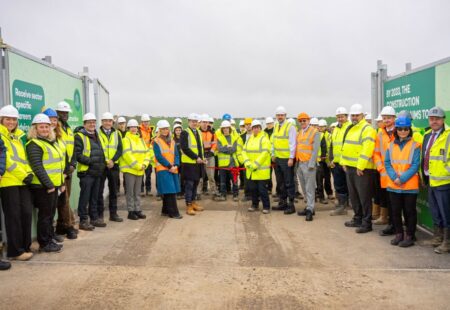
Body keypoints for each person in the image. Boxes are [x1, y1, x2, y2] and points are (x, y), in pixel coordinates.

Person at [26, 114, 66, 253]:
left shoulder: (50, 142)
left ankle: (49, 238)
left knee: (50, 214)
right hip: (42, 187)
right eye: (41, 127)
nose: (44, 129)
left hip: (53, 185)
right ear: (35, 129)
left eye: (47, 127)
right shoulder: (33, 144)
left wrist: (60, 182)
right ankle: (44, 243)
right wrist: (49, 185)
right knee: (45, 216)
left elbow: (57, 165)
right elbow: (37, 167)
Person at [0, 105, 34, 261]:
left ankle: (26, 246)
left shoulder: (18, 136)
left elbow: (24, 159)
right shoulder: (1, 135)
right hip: (8, 182)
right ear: (2, 120)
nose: (11, 122)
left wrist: (29, 174)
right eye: (8, 119)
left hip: (22, 180)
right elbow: (7, 161)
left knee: (26, 213)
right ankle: (15, 251)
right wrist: (23, 175)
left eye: (14, 119)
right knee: (13, 216)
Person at [385, 117, 421, 247]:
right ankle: (399, 234)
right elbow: (387, 163)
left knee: (409, 211)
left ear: (409, 129)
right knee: (395, 211)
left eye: (406, 129)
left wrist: (402, 179)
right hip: (394, 184)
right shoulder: (390, 145)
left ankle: (410, 236)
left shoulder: (415, 145)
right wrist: (394, 178)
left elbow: (415, 165)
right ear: (396, 130)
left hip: (409, 185)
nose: (403, 131)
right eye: (400, 129)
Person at [42, 107, 77, 240]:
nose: (53, 122)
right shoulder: (44, 136)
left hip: (63, 173)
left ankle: (65, 227)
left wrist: (70, 166)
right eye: (51, 120)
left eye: (54, 120)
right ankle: (57, 231)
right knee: (50, 207)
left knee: (63, 201)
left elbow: (67, 152)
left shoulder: (60, 135)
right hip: (49, 177)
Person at [341, 103, 377, 233]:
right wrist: (343, 162)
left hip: (362, 169)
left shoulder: (367, 129)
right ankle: (357, 218)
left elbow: (367, 149)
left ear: (363, 115)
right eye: (353, 115)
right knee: (354, 196)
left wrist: (360, 166)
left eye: (357, 115)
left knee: (364, 196)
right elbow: (346, 147)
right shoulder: (351, 128)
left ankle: (367, 223)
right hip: (350, 168)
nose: (354, 117)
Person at [421, 107, 450, 254]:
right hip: (430, 179)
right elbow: (425, 156)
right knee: (435, 211)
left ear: (443, 119)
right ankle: (438, 237)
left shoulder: (449, 135)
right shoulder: (427, 135)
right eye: (432, 118)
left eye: (437, 119)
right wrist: (424, 176)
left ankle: (447, 242)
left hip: (444, 182)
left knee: (446, 213)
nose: (434, 121)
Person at [74, 113, 106, 230]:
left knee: (94, 197)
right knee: (85, 197)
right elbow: (77, 155)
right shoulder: (79, 136)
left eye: (93, 122)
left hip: (97, 172)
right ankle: (83, 221)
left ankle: (94, 218)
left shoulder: (97, 135)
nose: (92, 124)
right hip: (86, 173)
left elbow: (101, 152)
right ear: (84, 124)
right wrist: (91, 161)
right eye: (89, 122)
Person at [54, 101, 78, 239]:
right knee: (64, 199)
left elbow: (72, 149)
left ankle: (61, 226)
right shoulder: (55, 130)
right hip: (59, 170)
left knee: (64, 199)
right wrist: (65, 167)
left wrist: (73, 164)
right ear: (57, 114)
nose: (65, 115)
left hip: (68, 169)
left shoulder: (69, 129)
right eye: (62, 113)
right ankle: (68, 226)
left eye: (66, 113)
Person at [120, 119, 151, 220]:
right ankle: (131, 211)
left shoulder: (141, 140)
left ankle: (137, 210)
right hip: (130, 170)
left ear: (137, 128)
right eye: (131, 127)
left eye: (135, 127)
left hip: (140, 170)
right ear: (128, 128)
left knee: (137, 192)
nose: (133, 129)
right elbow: (127, 154)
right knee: (130, 192)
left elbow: (147, 153)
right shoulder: (126, 140)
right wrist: (138, 165)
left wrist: (145, 164)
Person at [373, 106, 396, 237]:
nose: (386, 120)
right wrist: (380, 168)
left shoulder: (400, 131)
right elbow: (376, 153)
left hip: (397, 174)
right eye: (384, 118)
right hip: (384, 174)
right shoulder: (380, 133)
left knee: (396, 203)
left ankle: (396, 226)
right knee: (388, 201)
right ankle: (391, 225)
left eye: (389, 118)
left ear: (394, 118)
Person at [153, 120, 182, 219]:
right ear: (159, 130)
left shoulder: (172, 141)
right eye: (163, 129)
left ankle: (165, 210)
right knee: (170, 191)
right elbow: (158, 156)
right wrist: (170, 166)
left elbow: (177, 155)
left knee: (169, 190)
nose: (165, 131)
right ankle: (174, 213)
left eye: (166, 129)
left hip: (173, 169)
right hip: (163, 169)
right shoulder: (156, 141)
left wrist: (176, 165)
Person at [97, 112, 123, 222]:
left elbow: (120, 149)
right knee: (100, 191)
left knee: (113, 191)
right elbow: (97, 149)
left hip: (114, 166)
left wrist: (112, 160)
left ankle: (113, 214)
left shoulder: (117, 134)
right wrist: (106, 161)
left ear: (112, 122)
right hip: (102, 166)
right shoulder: (97, 133)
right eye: (105, 121)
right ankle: (100, 215)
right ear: (102, 122)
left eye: (110, 121)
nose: (108, 123)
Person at [271, 106, 297, 214]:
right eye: (278, 115)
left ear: (285, 115)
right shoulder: (276, 126)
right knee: (280, 182)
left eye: (282, 115)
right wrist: (273, 154)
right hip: (278, 158)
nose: (280, 117)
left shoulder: (290, 126)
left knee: (288, 182)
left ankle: (291, 205)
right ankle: (283, 203)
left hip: (287, 159)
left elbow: (293, 143)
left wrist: (291, 158)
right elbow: (274, 141)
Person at [243, 120, 272, 214]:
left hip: (261, 171)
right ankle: (254, 205)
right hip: (251, 170)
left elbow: (264, 154)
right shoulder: (249, 139)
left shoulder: (264, 139)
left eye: (257, 127)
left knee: (262, 190)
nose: (255, 129)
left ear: (260, 128)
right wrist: (247, 163)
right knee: (253, 190)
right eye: (254, 127)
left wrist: (255, 164)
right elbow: (244, 151)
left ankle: (266, 207)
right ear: (252, 129)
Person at [295, 113, 320, 221]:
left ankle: (310, 209)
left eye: (304, 120)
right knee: (304, 187)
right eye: (300, 121)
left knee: (310, 188)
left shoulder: (315, 132)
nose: (302, 122)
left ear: (308, 121)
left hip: (309, 164)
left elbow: (315, 150)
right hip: (300, 163)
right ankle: (309, 206)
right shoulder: (300, 133)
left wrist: (311, 164)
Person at [180, 113, 205, 216]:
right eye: (192, 121)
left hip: (198, 163)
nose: (194, 123)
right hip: (189, 164)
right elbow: (185, 148)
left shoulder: (198, 132)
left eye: (196, 121)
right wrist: (196, 157)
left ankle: (193, 202)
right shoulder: (184, 133)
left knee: (195, 184)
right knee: (189, 185)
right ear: (189, 122)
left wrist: (203, 159)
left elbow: (200, 148)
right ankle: (189, 205)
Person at [329, 107, 351, 215]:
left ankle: (350, 205)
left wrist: (345, 162)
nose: (340, 119)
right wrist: (332, 159)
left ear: (346, 117)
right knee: (339, 185)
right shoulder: (336, 129)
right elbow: (333, 145)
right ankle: (342, 206)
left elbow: (349, 146)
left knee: (349, 185)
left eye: (342, 116)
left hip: (346, 163)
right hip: (337, 162)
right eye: (338, 117)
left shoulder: (350, 127)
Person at [216, 120, 242, 201]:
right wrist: (228, 147)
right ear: (222, 129)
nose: (225, 130)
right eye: (224, 128)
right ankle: (223, 195)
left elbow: (234, 149)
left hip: (232, 163)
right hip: (223, 164)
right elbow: (219, 148)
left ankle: (235, 195)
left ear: (229, 129)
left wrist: (225, 148)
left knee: (234, 180)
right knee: (222, 181)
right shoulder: (219, 138)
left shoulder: (234, 138)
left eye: (227, 128)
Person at [198, 114, 217, 197]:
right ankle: (198, 192)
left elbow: (215, 143)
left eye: (206, 122)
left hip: (210, 156)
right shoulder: (197, 132)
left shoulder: (212, 133)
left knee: (211, 175)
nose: (205, 124)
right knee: (200, 176)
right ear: (200, 123)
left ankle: (214, 191)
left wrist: (212, 152)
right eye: (203, 122)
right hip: (200, 156)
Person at [316, 119, 333, 204]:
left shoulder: (329, 135)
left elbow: (331, 147)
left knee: (327, 178)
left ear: (325, 127)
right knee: (319, 179)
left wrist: (329, 158)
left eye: (322, 126)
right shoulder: (318, 135)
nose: (321, 128)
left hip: (327, 160)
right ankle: (320, 196)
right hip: (320, 160)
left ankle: (329, 193)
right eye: (319, 126)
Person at [138, 113, 154, 196]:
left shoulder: (151, 131)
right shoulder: (138, 130)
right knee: (140, 173)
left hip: (148, 154)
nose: (146, 123)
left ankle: (148, 189)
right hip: (140, 154)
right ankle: (141, 190)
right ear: (142, 122)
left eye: (147, 121)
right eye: (144, 122)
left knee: (148, 174)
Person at [239, 118, 253, 201]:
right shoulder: (241, 137)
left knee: (256, 179)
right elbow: (240, 149)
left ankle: (256, 195)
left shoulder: (257, 135)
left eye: (250, 124)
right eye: (246, 125)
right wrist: (243, 160)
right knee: (246, 178)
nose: (248, 126)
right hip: (246, 160)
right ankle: (247, 194)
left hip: (255, 160)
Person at [264, 117, 276, 196]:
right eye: (268, 124)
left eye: (270, 123)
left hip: (275, 156)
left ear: (273, 123)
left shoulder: (276, 131)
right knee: (268, 173)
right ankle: (269, 188)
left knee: (278, 175)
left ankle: (279, 191)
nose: (269, 125)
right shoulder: (263, 133)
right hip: (267, 156)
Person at [173, 124, 184, 199]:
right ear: (174, 131)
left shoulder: (184, 139)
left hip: (183, 161)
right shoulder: (172, 140)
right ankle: (177, 192)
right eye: (176, 130)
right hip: (176, 160)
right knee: (176, 176)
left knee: (183, 177)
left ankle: (182, 192)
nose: (178, 132)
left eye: (179, 130)